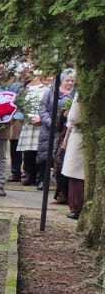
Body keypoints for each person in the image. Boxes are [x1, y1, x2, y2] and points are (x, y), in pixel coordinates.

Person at [41, 73, 75, 197]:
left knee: (60, 157)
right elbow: (43, 109)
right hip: (50, 128)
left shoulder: (74, 95)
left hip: (66, 130)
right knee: (46, 154)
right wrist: (50, 123)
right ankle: (43, 180)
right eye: (67, 80)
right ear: (61, 81)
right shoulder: (50, 92)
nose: (70, 83)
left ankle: (61, 187)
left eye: (72, 81)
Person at [14, 71, 49, 185]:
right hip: (28, 123)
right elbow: (19, 105)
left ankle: (41, 177)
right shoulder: (24, 90)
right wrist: (23, 116)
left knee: (40, 151)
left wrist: (41, 118)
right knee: (28, 152)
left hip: (41, 124)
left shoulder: (47, 89)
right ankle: (29, 175)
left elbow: (48, 106)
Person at [60, 87, 86, 218]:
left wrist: (69, 115)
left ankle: (76, 208)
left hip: (79, 134)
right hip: (80, 134)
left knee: (76, 175)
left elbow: (75, 117)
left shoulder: (83, 91)